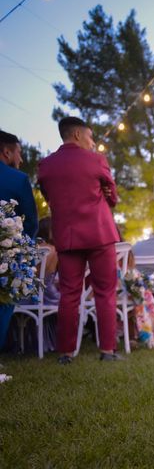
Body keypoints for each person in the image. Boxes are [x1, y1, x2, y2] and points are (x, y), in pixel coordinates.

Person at [37, 117, 121, 363]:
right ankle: (107, 350)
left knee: (69, 294)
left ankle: (65, 353)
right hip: (99, 234)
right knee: (105, 292)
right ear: (76, 135)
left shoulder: (46, 165)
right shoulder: (97, 160)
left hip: (67, 236)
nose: (93, 142)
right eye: (90, 136)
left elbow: (48, 196)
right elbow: (113, 197)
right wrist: (107, 193)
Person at [0, 130, 39, 352]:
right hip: (7, 253)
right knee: (4, 301)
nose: (21, 159)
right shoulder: (18, 179)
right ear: (7, 152)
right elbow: (30, 221)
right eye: (19, 153)